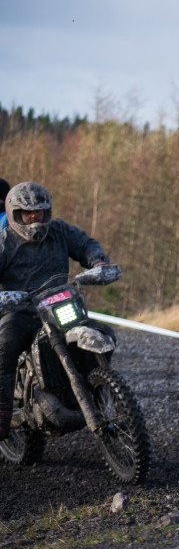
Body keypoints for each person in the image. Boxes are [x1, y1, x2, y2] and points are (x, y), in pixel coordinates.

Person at [0, 182, 113, 440]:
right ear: (14, 213)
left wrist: (98, 262)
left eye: (39, 212)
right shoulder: (4, 241)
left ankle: (101, 387)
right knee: (4, 344)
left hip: (61, 304)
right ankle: (3, 411)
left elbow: (85, 244)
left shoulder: (59, 231)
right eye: (27, 213)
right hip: (21, 311)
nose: (33, 217)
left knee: (105, 332)